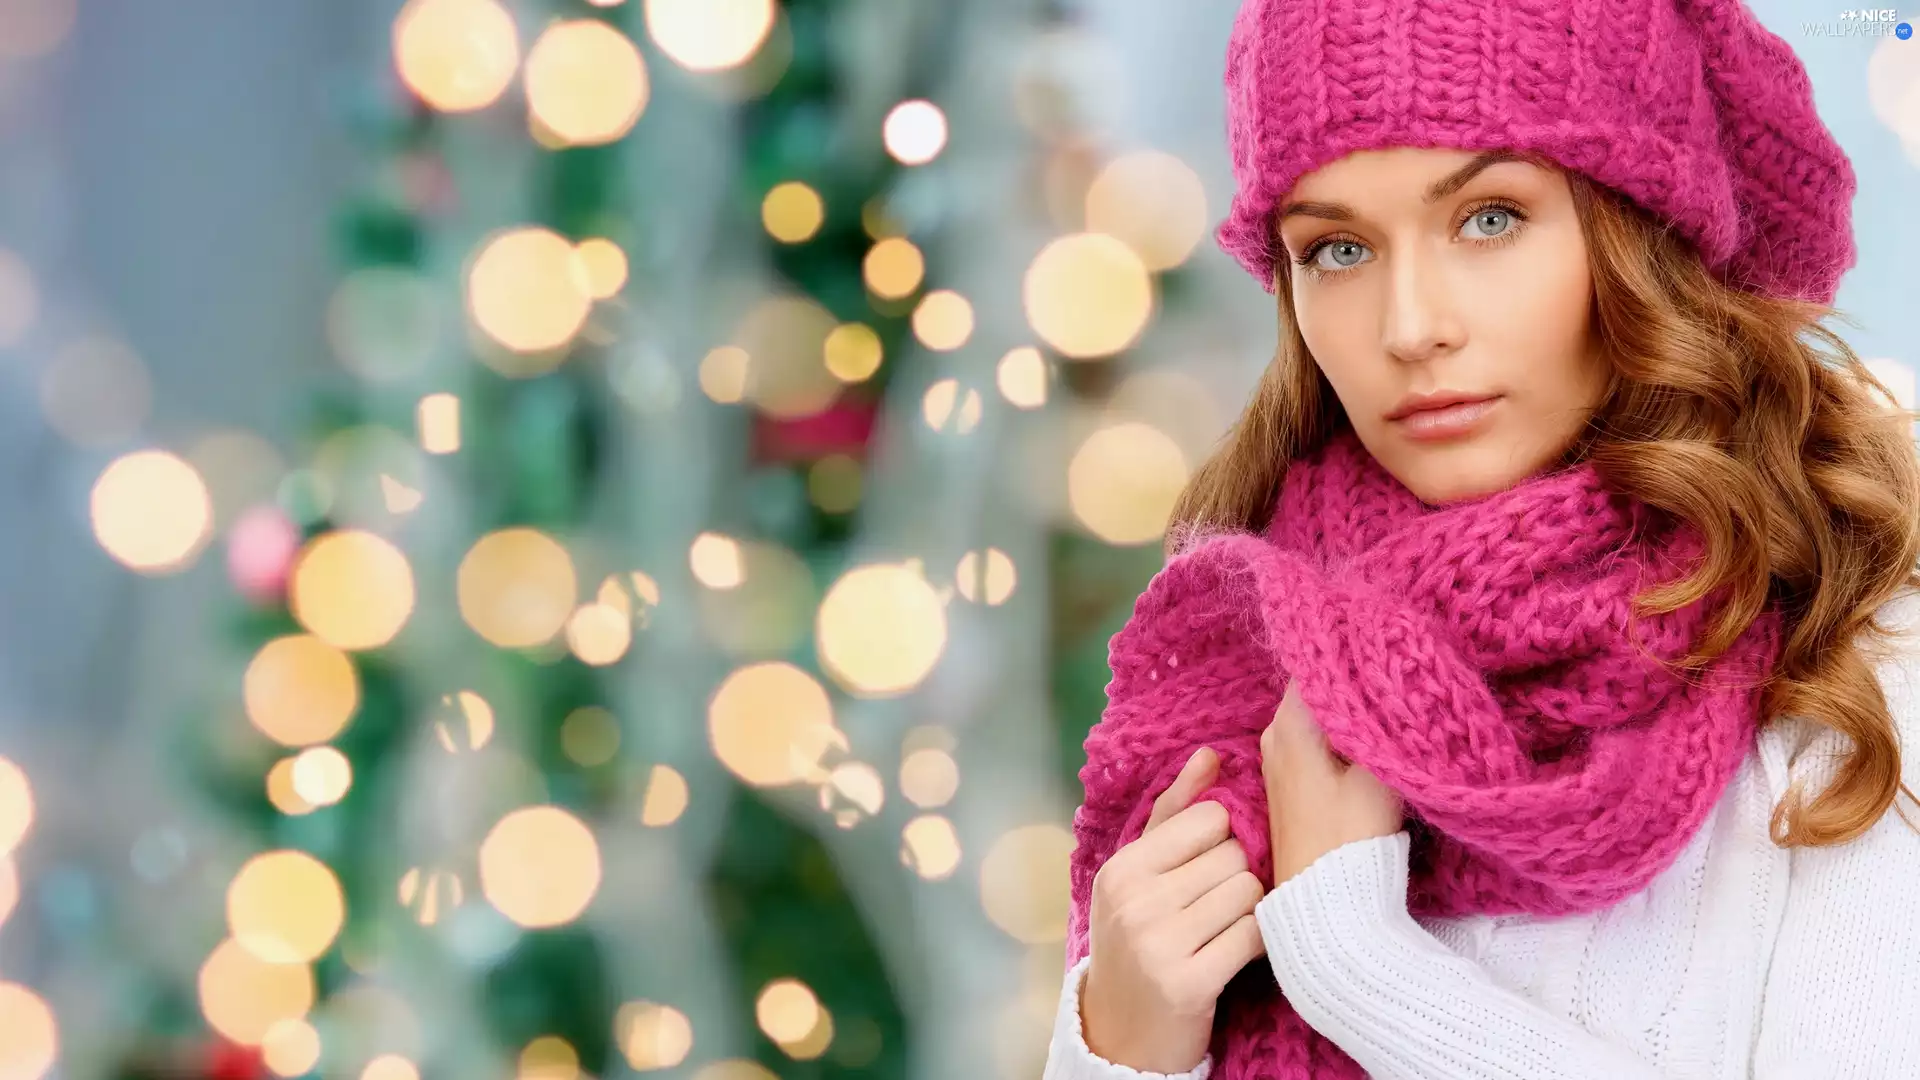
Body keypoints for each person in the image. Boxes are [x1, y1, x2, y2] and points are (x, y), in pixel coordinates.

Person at [1041, 1, 1920, 1078]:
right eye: (1339, 248)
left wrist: (1352, 957)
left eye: (1489, 219)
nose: (1410, 327)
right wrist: (1117, 1045)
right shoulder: (1245, 650)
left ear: (1637, 227)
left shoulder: (1857, 651)